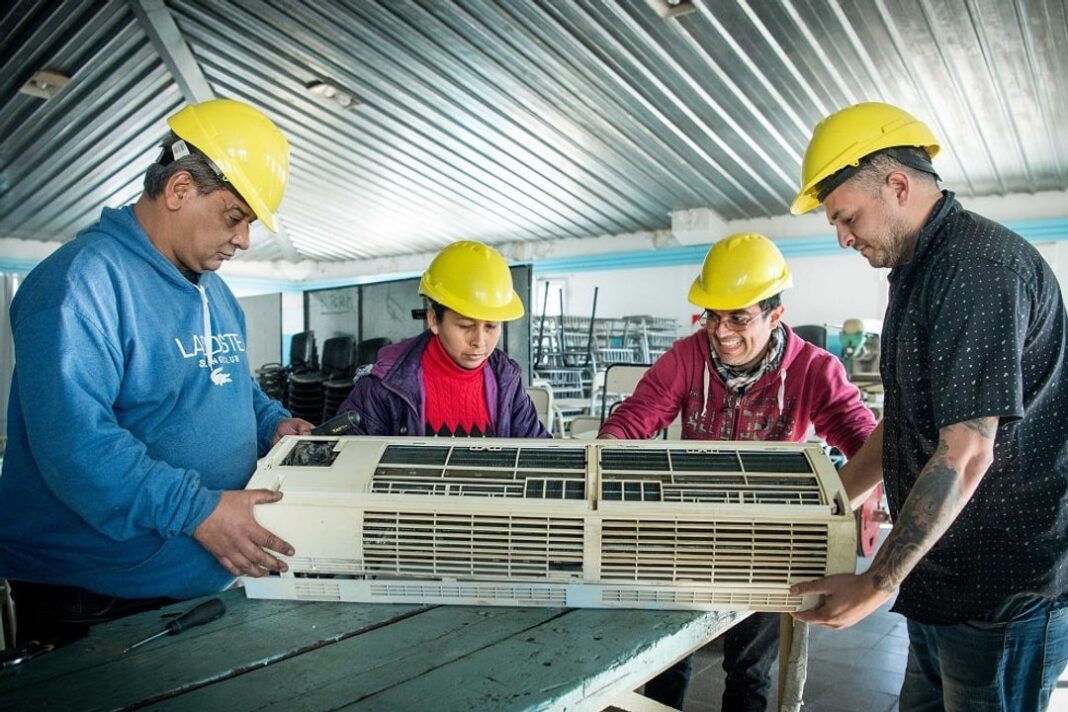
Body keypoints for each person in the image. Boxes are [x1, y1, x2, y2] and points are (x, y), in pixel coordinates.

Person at [0, 99, 313, 647]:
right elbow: (77, 447)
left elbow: (230, 384)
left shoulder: (212, 289)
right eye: (235, 216)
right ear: (180, 190)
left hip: (197, 581)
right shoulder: (80, 284)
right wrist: (197, 509)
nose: (243, 240)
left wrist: (273, 424)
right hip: (98, 598)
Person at [789, 101, 1068, 711]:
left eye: (847, 217)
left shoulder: (978, 267)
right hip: (940, 571)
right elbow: (907, 422)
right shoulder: (920, 273)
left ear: (897, 185)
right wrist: (831, 500)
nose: (842, 237)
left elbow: (966, 452)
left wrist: (874, 582)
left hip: (1000, 589)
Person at [598, 232, 877, 712]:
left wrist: (845, 508)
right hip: (687, 534)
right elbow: (636, 418)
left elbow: (867, 443)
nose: (722, 331)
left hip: (771, 544)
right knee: (666, 658)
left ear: (775, 315)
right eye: (713, 316)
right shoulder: (686, 358)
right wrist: (605, 455)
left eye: (739, 318)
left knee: (749, 670)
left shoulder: (814, 370)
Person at [337, 240, 549, 438]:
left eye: (492, 326)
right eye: (465, 326)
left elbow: (541, 455)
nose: (480, 341)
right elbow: (347, 459)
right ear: (434, 320)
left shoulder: (507, 382)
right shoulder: (384, 386)